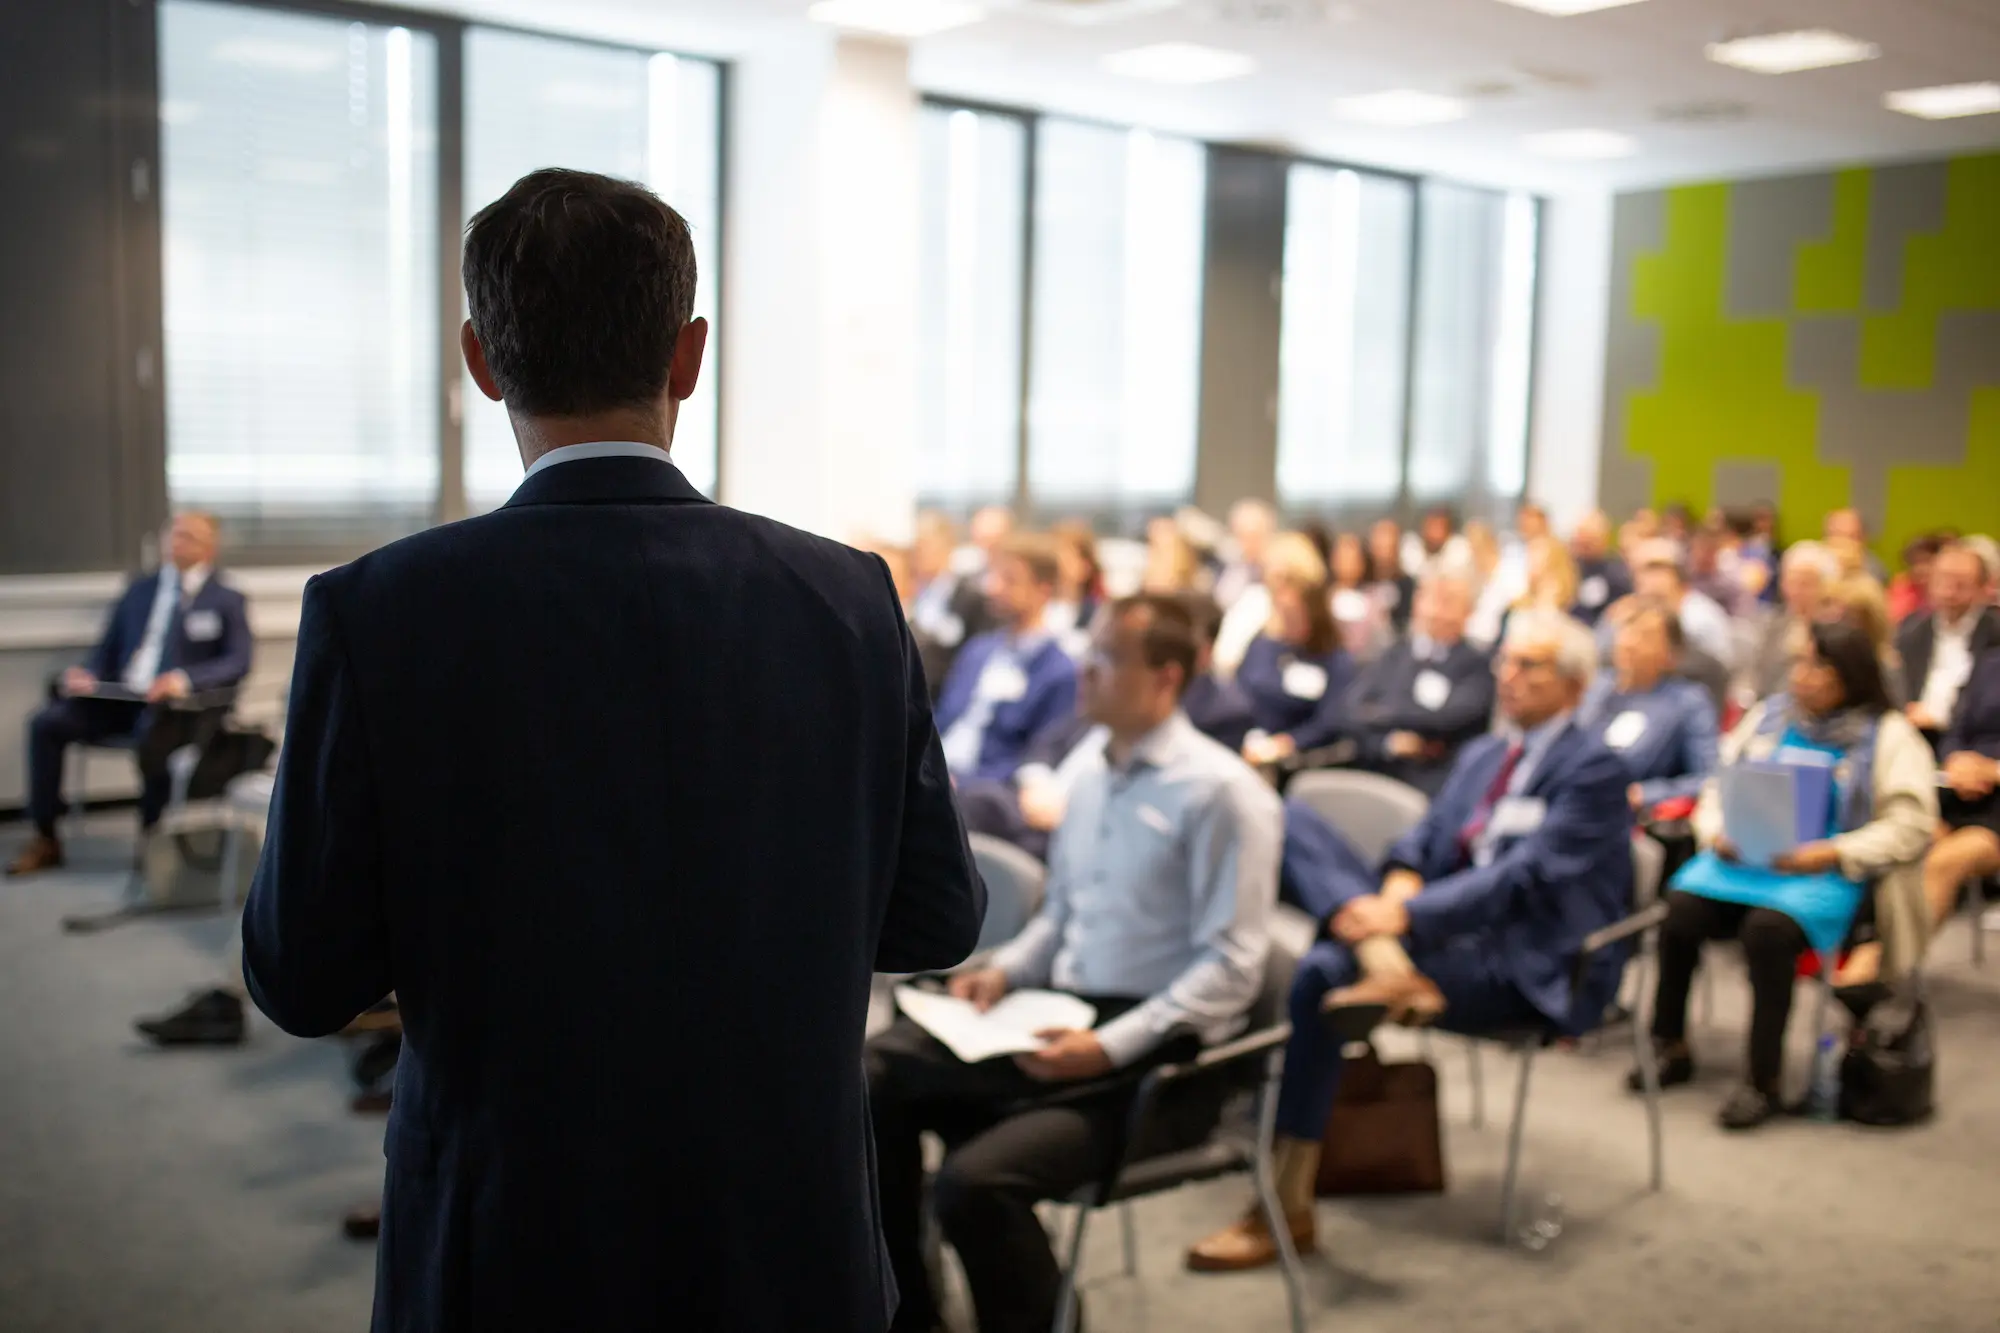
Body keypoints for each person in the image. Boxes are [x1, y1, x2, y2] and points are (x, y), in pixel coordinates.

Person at [238, 170, 985, 1333]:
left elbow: (301, 977)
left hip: (507, 1250)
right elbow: (934, 920)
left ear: (482, 362)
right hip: (785, 1244)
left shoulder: (379, 613)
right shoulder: (846, 596)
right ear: (689, 358)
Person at [868, 594, 1281, 1333]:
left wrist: (1109, 1047)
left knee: (975, 1182)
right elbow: (1062, 914)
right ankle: (912, 1314)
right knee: (870, 1080)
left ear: (1166, 676)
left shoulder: (1222, 793)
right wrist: (1008, 970)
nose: (1083, 674)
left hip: (1157, 1059)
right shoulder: (1089, 768)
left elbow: (1232, 967)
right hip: (1062, 1014)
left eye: (1106, 658)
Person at [1186, 610, 1633, 1270]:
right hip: (1440, 934)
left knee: (1320, 972)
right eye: (1504, 661)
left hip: (1522, 955)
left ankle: (1284, 1203)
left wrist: (1407, 916)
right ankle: (1383, 966)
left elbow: (1524, 877)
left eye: (1528, 665)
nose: (1507, 676)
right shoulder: (1486, 753)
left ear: (1573, 684)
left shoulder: (1594, 769)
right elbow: (1423, 840)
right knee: (1284, 813)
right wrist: (1396, 894)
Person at [1634, 621, 1936, 1130]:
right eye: (1801, 663)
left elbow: (1911, 826)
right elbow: (1717, 786)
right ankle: (1670, 1044)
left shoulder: (1887, 736)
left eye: (1820, 666)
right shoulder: (1770, 719)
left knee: (1767, 932)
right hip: (1744, 861)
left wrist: (1832, 851)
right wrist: (1716, 834)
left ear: (1852, 676)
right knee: (1681, 908)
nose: (1805, 676)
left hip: (1826, 871)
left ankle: (1763, 1079)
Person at [7, 512, 253, 877]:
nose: (178, 540)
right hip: (119, 697)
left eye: (189, 535)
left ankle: (151, 840)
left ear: (209, 547)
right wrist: (88, 673)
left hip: (175, 706)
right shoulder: (140, 590)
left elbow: (237, 661)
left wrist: (183, 679)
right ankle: (46, 836)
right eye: (173, 533)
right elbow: (107, 649)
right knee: (46, 724)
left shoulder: (226, 599)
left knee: (155, 733)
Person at [935, 534, 1081, 785]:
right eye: (995, 576)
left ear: (1042, 590)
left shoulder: (1059, 672)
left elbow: (1035, 761)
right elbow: (940, 721)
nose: (994, 587)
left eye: (1009, 580)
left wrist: (959, 784)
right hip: (935, 772)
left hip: (980, 795)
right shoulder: (977, 650)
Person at [1344, 574, 1496, 797]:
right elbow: (1350, 710)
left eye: (1447, 601)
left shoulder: (1477, 666)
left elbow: (1447, 720)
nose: (1435, 609)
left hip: (1434, 783)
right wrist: (1388, 742)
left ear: (1468, 611)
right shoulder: (1395, 653)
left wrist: (1379, 714)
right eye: (1429, 597)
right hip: (1377, 767)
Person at [1580, 600, 1719, 815]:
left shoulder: (1687, 702)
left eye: (1645, 636)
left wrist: (1647, 794)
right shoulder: (1595, 689)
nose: (1630, 643)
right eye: (1625, 631)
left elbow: (1709, 778)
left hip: (1631, 818)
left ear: (1671, 655)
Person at [1237, 533, 1356, 767]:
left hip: (1296, 763)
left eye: (1287, 583)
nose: (1280, 595)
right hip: (1247, 749)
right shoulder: (1262, 642)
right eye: (1273, 582)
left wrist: (1286, 744)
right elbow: (1238, 695)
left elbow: (1331, 722)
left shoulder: (1332, 656)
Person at [1896, 541, 1999, 746]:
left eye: (1961, 584)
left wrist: (1941, 718)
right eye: (1942, 581)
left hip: (1973, 744)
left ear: (1981, 588)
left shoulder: (1995, 633)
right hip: (1913, 734)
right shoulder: (1912, 630)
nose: (1949, 592)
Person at [908, 511, 994, 696]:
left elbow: (975, 656)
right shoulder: (911, 592)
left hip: (946, 691)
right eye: (917, 547)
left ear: (948, 546)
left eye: (926, 546)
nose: (920, 554)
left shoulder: (970, 598)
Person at [1744, 541, 1836, 702]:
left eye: (1806, 584)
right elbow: (1755, 676)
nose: (1796, 591)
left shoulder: (1834, 631)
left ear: (1826, 586)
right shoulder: (1772, 623)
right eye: (1790, 582)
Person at [1628, 538, 1736, 669]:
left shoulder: (1700, 618)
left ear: (1676, 573)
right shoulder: (1631, 611)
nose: (1643, 578)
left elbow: (1716, 672)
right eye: (1637, 571)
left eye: (1654, 569)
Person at [1328, 530, 1392, 661]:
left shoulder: (1376, 599)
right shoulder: (1324, 599)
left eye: (1353, 557)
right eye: (1342, 557)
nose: (1347, 563)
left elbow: (1384, 641)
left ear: (1362, 562)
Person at [1569, 509, 1634, 628]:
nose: (1583, 541)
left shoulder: (1617, 574)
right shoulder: (1567, 567)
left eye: (1590, 538)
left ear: (1604, 539)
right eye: (1581, 535)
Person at [1046, 519, 1104, 650]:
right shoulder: (1036, 610)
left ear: (1086, 566)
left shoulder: (1097, 614)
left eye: (1064, 557)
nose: (1056, 566)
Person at [1214, 498, 1278, 610]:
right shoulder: (1234, 568)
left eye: (1254, 536)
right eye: (1241, 536)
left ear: (1269, 533)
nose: (1247, 543)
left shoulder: (1277, 573)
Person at [1366, 517, 1419, 635]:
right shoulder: (1363, 582)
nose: (1384, 552)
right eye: (1379, 545)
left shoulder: (1408, 586)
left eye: (1389, 545)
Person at [1887, 533, 1944, 626]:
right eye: (1914, 563)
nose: (1919, 569)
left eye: (1927, 561)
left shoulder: (1949, 591)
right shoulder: (1900, 587)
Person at [1825, 507, 1889, 582]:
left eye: (1851, 537)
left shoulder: (1872, 569)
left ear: (1863, 539)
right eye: (1836, 535)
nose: (1842, 542)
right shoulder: (1815, 562)